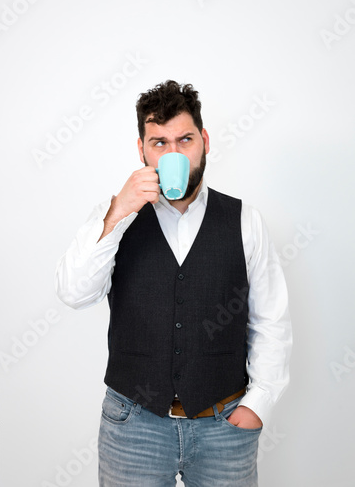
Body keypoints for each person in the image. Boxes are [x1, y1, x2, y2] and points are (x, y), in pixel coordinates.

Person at [55, 80, 292, 487]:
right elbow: (74, 293)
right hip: (133, 426)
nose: (174, 153)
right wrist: (117, 212)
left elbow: (271, 320)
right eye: (159, 143)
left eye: (184, 139)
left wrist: (258, 404)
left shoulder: (245, 221)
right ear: (142, 150)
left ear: (204, 140)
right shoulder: (114, 218)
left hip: (224, 425)